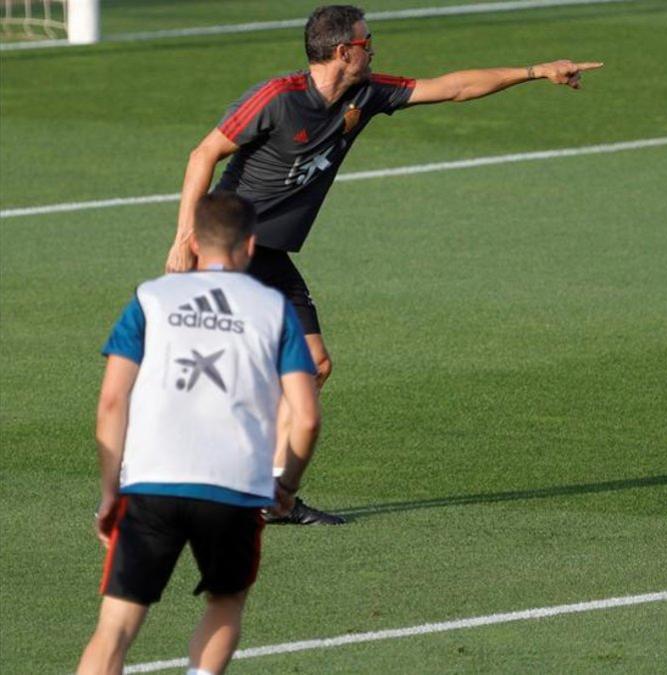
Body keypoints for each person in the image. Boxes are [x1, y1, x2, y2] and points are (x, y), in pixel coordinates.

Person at [164, 4, 602, 525]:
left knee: (313, 366)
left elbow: (454, 87)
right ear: (343, 51)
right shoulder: (277, 99)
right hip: (228, 248)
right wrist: (185, 237)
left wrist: (534, 71)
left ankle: (271, 496)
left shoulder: (365, 94)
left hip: (271, 255)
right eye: (367, 42)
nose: (374, 49)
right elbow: (203, 154)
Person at [78, 192, 321, 674]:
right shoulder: (273, 308)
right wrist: (285, 486)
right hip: (235, 487)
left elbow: (111, 401)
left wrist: (110, 491)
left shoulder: (151, 298)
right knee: (225, 601)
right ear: (250, 245)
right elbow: (307, 416)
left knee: (116, 628)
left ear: (192, 241)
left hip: (150, 481)